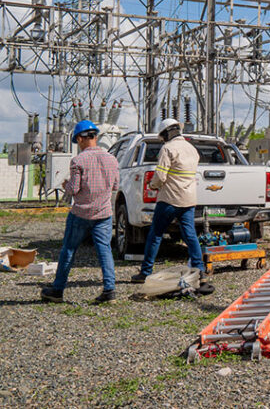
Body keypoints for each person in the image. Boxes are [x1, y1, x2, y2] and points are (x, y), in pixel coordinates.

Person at [41, 120, 121, 303]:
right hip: (103, 213)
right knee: (105, 251)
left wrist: (65, 185)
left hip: (81, 213)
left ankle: (58, 290)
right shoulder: (112, 159)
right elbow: (116, 185)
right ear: (95, 136)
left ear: (80, 138)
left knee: (68, 250)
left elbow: (73, 189)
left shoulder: (78, 160)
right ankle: (110, 290)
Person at [131, 118, 206, 284]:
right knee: (190, 235)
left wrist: (152, 185)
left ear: (166, 133)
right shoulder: (192, 149)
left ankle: (145, 272)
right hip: (188, 200)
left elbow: (161, 176)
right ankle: (200, 269)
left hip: (169, 199)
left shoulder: (168, 148)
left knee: (155, 234)